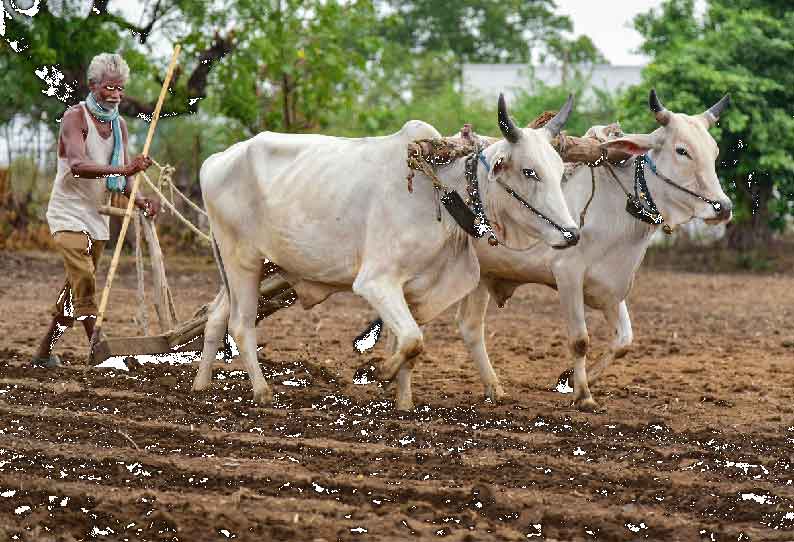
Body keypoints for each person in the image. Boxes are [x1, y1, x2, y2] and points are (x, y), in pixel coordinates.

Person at [31, 53, 161, 368]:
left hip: (97, 215)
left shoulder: (120, 127)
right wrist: (125, 167)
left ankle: (43, 354)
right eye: (109, 88)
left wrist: (141, 200)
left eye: (120, 89)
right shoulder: (74, 118)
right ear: (93, 85)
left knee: (76, 286)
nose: (116, 95)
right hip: (67, 212)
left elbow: (124, 178)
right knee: (85, 279)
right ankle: (101, 352)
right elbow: (77, 165)